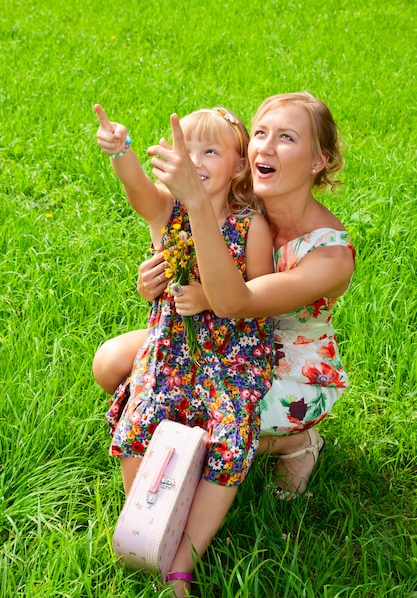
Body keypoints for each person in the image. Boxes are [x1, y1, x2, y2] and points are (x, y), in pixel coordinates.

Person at [93, 104, 274, 597]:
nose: (194, 158)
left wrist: (212, 299)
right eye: (185, 149)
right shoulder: (168, 212)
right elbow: (137, 189)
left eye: (210, 150)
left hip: (230, 356)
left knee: (231, 437)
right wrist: (121, 150)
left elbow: (256, 298)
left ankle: (181, 559)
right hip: (171, 349)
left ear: (238, 165)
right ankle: (152, 527)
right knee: (137, 424)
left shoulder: (250, 225)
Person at [145, 91, 356, 503]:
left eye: (287, 138)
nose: (265, 145)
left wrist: (196, 204)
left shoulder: (330, 256)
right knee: (113, 363)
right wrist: (156, 276)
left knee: (199, 427)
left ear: (318, 161)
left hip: (288, 364)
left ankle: (294, 442)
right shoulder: (242, 204)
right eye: (260, 132)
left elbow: (233, 302)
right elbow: (180, 244)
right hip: (223, 336)